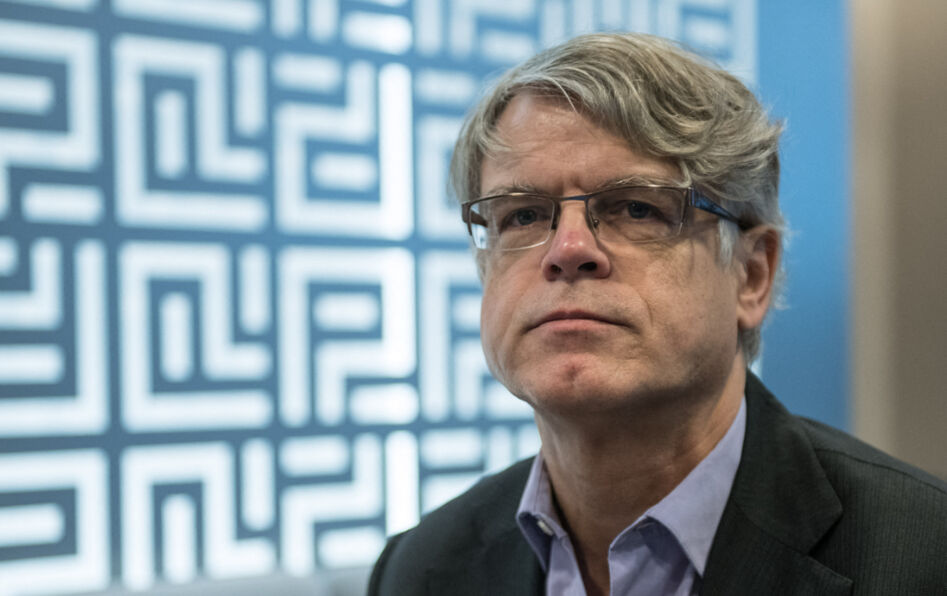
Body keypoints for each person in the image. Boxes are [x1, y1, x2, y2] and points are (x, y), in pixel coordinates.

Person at [368, 32, 947, 596]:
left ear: (751, 275)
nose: (568, 249)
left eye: (637, 208)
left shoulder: (924, 557)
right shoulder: (419, 569)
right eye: (522, 216)